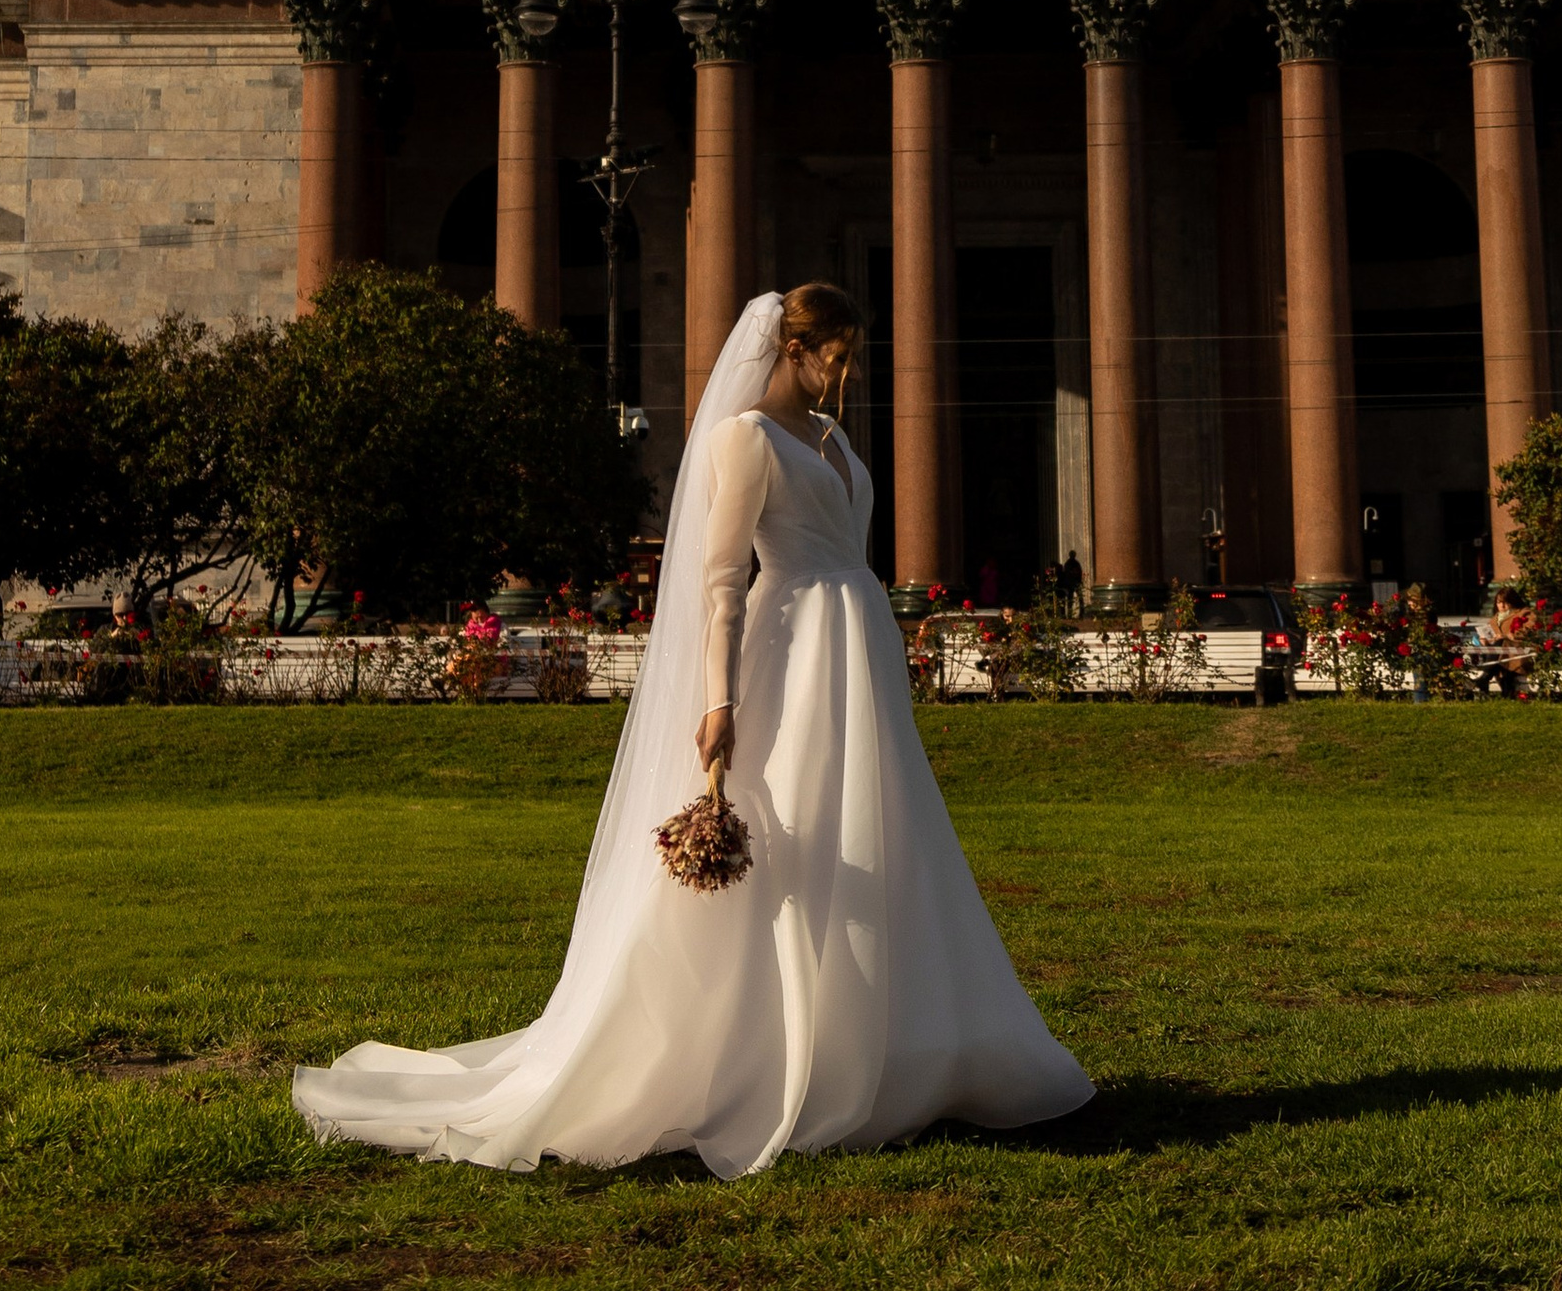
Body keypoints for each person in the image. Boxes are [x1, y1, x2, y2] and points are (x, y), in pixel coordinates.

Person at [291, 285, 1093, 1177]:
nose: (847, 371)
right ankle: (768, 1048)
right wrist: (719, 698)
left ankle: (890, 1038)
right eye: (835, 352)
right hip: (794, 651)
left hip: (855, 650)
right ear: (793, 347)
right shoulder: (743, 438)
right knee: (798, 830)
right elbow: (721, 578)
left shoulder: (835, 440)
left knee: (877, 827)